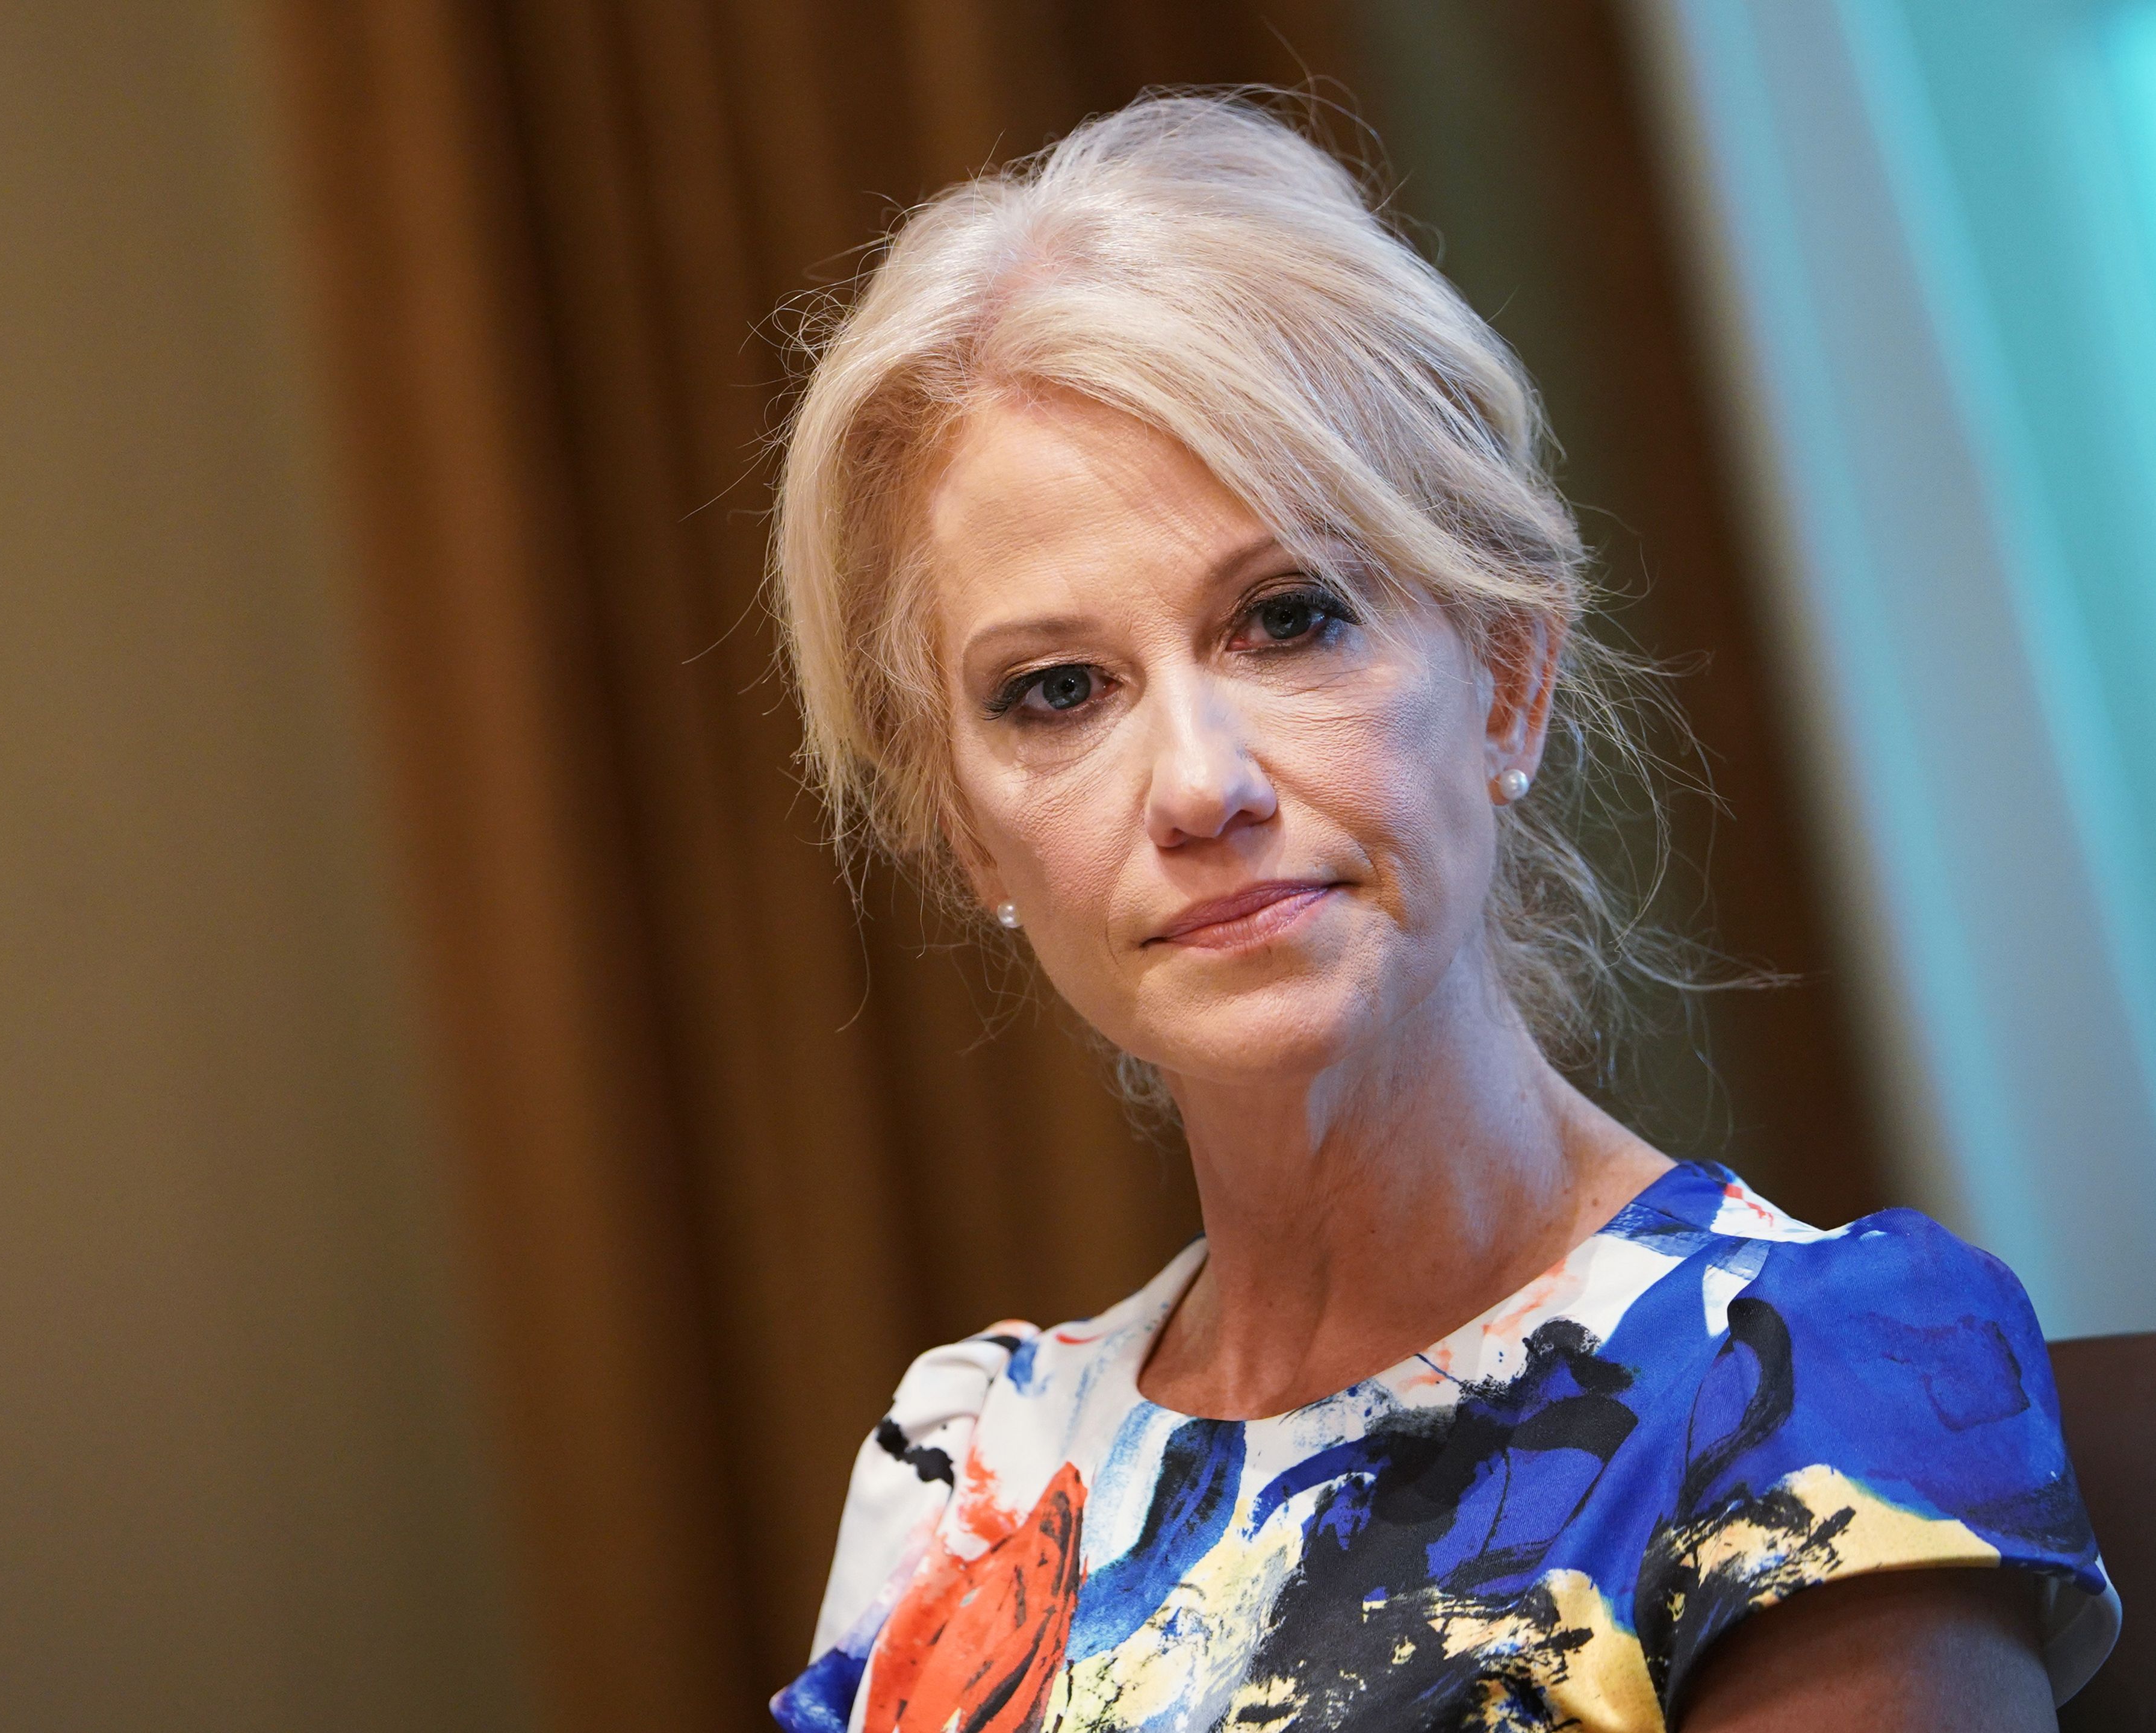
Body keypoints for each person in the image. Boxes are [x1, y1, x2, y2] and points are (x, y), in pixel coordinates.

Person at [763, 95, 2115, 1733]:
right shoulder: (962, 1467)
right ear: (963, 832)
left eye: (1287, 617)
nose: (1200, 784)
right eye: (1056, 691)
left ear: (1505, 683)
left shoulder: (1807, 1376)